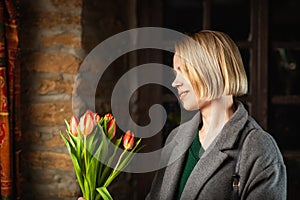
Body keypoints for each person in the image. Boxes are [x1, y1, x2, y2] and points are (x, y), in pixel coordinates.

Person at [145, 30, 287, 200]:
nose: (175, 82)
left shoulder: (259, 148)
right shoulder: (176, 138)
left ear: (213, 70)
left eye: (183, 71)